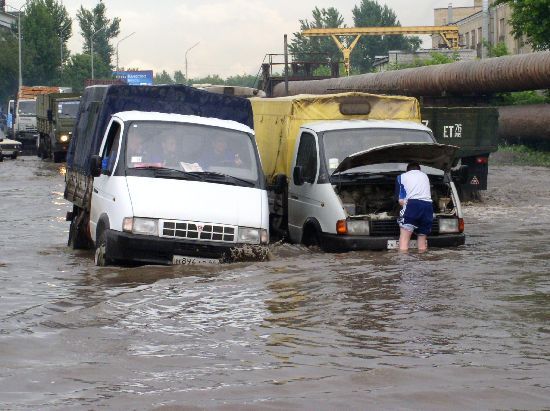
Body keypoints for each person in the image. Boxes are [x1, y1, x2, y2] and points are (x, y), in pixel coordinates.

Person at [396, 162, 433, 252]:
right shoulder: (425, 176)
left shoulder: (401, 177)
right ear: (419, 170)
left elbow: (400, 201)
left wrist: (404, 204)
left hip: (413, 205)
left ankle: (404, 263)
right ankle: (422, 262)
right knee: (422, 243)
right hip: (428, 207)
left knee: (404, 240)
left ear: (407, 170)